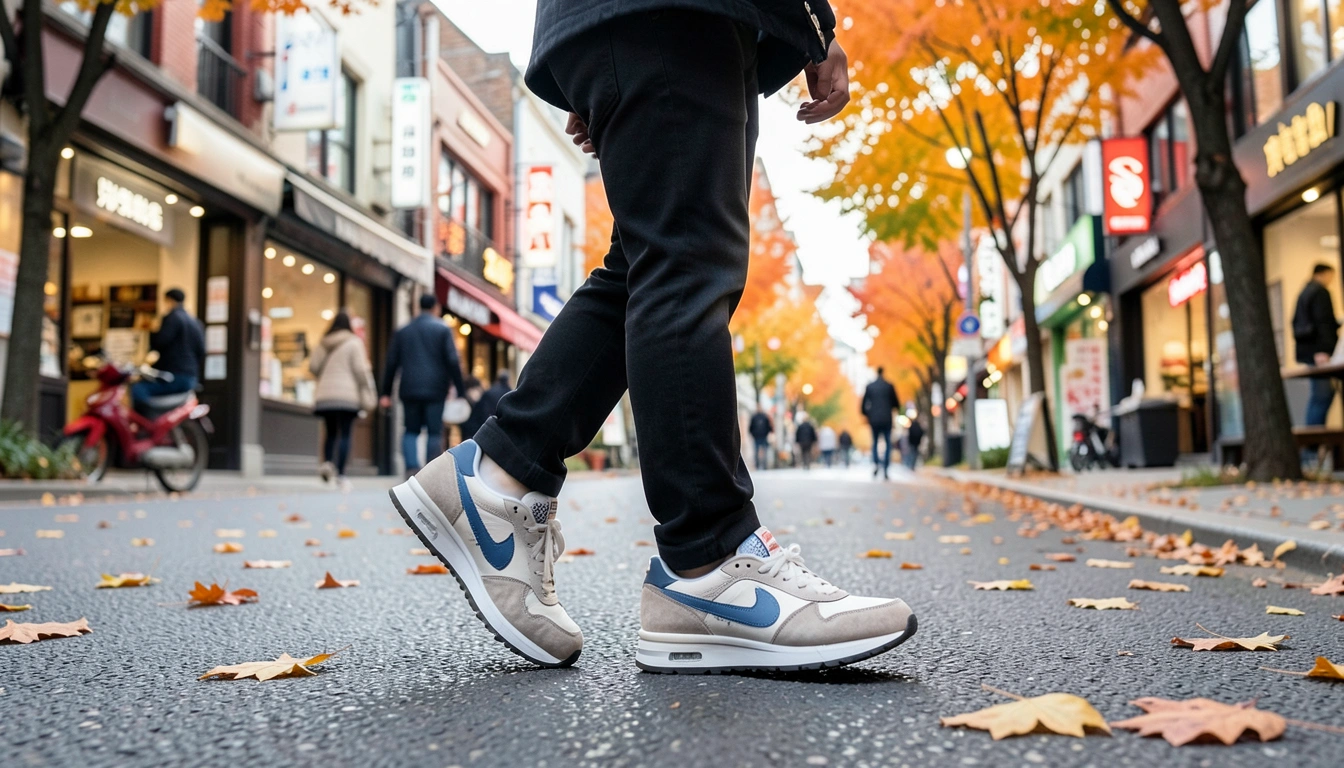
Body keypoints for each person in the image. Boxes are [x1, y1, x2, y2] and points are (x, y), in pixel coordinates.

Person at [386, 0, 915, 675]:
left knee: (651, 261)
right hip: (678, 12)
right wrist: (816, 24)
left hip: (642, 20)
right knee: (685, 259)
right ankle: (711, 563)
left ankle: (500, 478)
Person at [379, 294, 467, 473]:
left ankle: (411, 468)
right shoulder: (443, 330)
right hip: (436, 389)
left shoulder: (403, 331)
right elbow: (452, 361)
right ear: (436, 307)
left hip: (409, 388)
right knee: (434, 431)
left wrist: (385, 392)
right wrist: (460, 390)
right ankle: (429, 471)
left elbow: (391, 363)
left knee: (411, 429)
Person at [310, 311, 375, 492]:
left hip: (326, 395)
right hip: (347, 396)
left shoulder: (324, 342)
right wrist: (368, 389)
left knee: (330, 432)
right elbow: (361, 370)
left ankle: (327, 463)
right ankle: (341, 475)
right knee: (345, 433)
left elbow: (313, 367)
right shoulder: (354, 342)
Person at [133, 288, 204, 408]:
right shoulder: (195, 322)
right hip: (191, 376)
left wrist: (152, 332)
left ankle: (148, 419)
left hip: (174, 375)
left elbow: (160, 342)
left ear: (169, 300)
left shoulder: (172, 318)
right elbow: (201, 350)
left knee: (138, 389)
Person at [1293, 263, 1341, 432]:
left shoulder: (1305, 292)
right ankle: (1313, 441)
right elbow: (1323, 323)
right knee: (1322, 395)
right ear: (1322, 274)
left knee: (1321, 395)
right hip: (1319, 352)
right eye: (1330, 276)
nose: (1331, 280)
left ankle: (1313, 440)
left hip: (1311, 351)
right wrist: (1324, 349)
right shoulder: (1319, 292)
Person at [862, 367, 900, 479]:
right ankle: (886, 467)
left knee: (875, 442)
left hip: (874, 419)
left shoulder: (870, 387)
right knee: (888, 443)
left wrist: (868, 414)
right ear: (883, 373)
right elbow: (896, 403)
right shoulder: (889, 386)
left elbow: (863, 405)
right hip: (887, 419)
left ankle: (876, 463)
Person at [748, 406, 773, 470]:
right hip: (759, 436)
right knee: (760, 451)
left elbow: (768, 426)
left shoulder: (760, 417)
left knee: (761, 451)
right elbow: (751, 427)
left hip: (761, 436)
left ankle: (762, 465)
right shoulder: (758, 417)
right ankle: (760, 465)